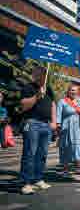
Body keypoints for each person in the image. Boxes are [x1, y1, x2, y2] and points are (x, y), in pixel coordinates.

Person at [19, 66, 56, 195]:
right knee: (30, 153)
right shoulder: (28, 87)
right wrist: (37, 96)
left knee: (42, 154)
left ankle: (38, 179)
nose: (42, 76)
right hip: (32, 123)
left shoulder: (49, 89)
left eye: (44, 74)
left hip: (46, 125)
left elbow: (52, 104)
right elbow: (23, 105)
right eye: (39, 73)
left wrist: (54, 121)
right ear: (35, 75)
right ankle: (26, 183)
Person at [56, 85, 80, 178]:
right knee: (65, 147)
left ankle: (79, 167)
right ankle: (65, 170)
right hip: (66, 128)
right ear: (68, 91)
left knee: (78, 146)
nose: (73, 92)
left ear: (78, 92)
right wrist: (58, 127)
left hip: (77, 128)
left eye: (75, 90)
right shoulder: (62, 102)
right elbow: (58, 116)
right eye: (72, 90)